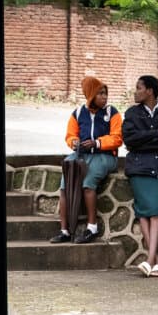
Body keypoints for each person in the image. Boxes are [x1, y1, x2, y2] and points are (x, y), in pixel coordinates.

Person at [49, 75, 123, 244]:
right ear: (90, 95)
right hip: (82, 154)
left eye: (105, 93)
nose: (104, 97)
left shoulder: (112, 112)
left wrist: (97, 143)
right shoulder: (78, 113)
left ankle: (92, 228)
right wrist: (74, 142)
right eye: (100, 93)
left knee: (88, 183)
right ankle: (64, 230)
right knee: (64, 184)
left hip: (105, 156)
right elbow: (70, 136)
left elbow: (117, 138)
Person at [122, 75, 158, 277]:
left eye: (139, 88)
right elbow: (129, 140)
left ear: (149, 91)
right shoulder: (131, 113)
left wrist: (144, 139)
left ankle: (149, 260)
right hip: (139, 168)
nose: (135, 91)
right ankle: (155, 263)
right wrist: (156, 133)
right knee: (144, 212)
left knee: (156, 211)